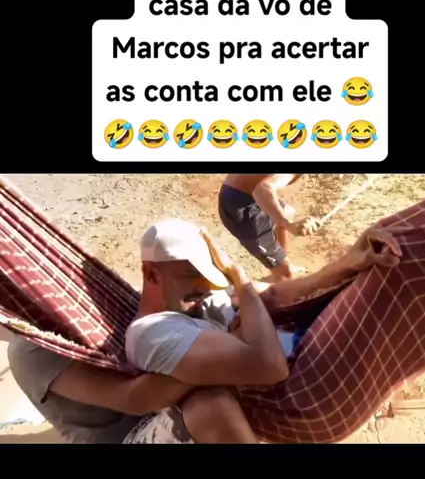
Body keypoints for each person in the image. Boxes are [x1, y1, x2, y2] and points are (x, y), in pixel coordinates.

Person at [6, 220, 402, 445]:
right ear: (153, 275)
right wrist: (229, 351)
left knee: (229, 357)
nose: (203, 288)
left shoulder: (127, 306)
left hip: (163, 408)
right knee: (211, 402)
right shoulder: (33, 352)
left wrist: (347, 264)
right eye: (190, 277)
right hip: (127, 437)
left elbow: (270, 295)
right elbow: (135, 398)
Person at [218, 174, 322, 280]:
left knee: (287, 213)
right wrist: (289, 224)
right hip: (239, 206)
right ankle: (281, 273)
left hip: (242, 194)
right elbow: (263, 189)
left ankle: (282, 262)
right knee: (286, 277)